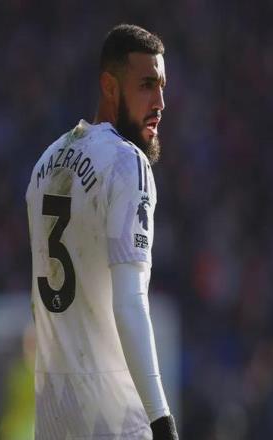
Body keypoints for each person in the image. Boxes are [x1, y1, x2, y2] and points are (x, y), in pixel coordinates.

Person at [26, 24, 178, 439]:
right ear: (110, 87)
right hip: (114, 421)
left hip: (54, 421)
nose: (160, 103)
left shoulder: (44, 165)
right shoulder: (127, 163)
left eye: (162, 87)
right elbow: (130, 303)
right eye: (146, 85)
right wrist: (162, 420)